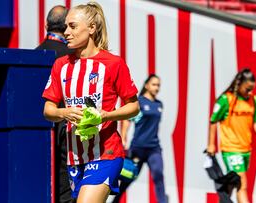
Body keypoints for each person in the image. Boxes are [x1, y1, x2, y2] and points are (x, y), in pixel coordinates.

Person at [42, 2, 140, 202]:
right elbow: (48, 109)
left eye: (73, 26)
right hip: (74, 157)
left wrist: (107, 115)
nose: (66, 32)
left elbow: (133, 106)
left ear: (92, 28)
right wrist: (65, 112)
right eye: (66, 26)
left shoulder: (114, 64)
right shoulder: (61, 65)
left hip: (106, 154)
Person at [207, 68, 256, 203]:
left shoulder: (253, 100)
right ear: (239, 84)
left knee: (230, 186)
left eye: (252, 89)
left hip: (245, 150)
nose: (250, 92)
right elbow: (213, 121)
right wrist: (211, 144)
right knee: (242, 184)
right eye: (247, 88)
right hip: (231, 149)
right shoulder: (226, 99)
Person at [36, 5, 75, 203]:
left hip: (34, 132)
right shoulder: (72, 58)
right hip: (65, 130)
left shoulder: (34, 54)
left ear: (45, 25)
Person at [112, 74, 167, 203]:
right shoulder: (140, 102)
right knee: (128, 178)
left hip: (154, 148)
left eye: (158, 85)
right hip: (138, 148)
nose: (157, 87)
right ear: (147, 85)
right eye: (154, 84)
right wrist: (124, 138)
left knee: (158, 174)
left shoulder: (159, 105)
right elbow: (128, 120)